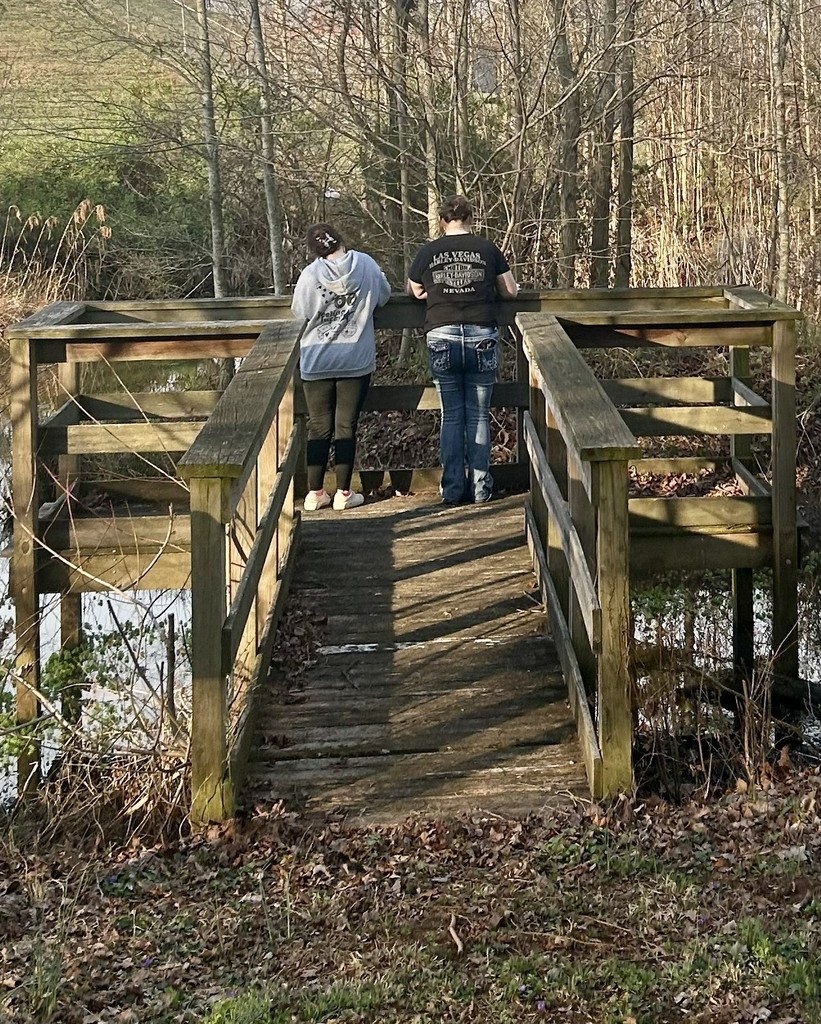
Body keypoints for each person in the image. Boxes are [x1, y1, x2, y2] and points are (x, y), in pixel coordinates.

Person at [407, 196, 519, 505]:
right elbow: (510, 290)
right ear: (471, 219)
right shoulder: (487, 249)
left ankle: (453, 489)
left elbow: (413, 290)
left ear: (442, 221)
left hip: (441, 333)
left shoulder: (429, 251)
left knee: (452, 415)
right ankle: (482, 488)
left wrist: (436, 289)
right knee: (479, 415)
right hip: (481, 333)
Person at [292, 223, 391, 511]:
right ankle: (344, 494)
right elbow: (383, 296)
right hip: (355, 359)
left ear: (315, 250)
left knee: (319, 427)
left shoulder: (310, 275)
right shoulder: (367, 265)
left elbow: (300, 312)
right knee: (346, 425)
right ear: (341, 240)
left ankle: (315, 493)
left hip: (317, 358)